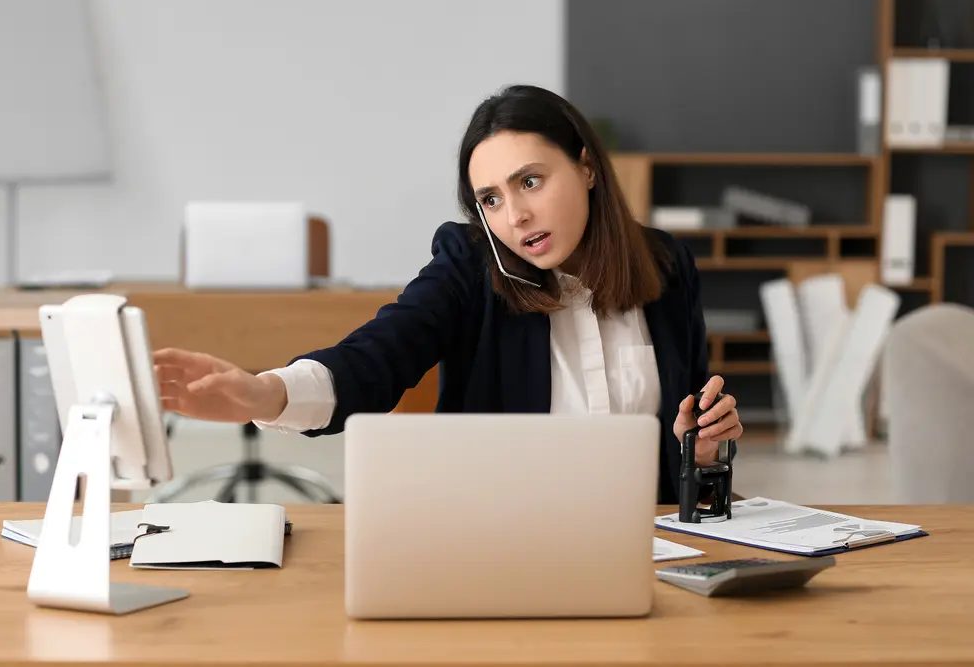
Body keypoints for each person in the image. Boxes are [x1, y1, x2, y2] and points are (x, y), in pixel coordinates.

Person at [154, 84, 743, 504]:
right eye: (490, 199)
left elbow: (691, 444)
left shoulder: (667, 266)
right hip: (498, 549)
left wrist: (709, 448)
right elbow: (375, 358)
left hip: (653, 552)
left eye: (530, 181)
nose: (515, 215)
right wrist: (265, 393)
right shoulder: (470, 265)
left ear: (587, 168)